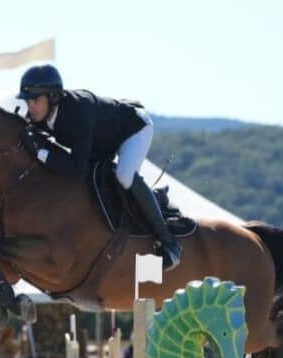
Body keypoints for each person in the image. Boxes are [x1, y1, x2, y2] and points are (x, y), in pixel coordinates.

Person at [17, 64, 181, 270]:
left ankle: (169, 243)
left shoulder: (79, 111)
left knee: (124, 175)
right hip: (102, 142)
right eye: (28, 101)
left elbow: (75, 168)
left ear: (53, 97)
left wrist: (39, 152)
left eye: (35, 100)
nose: (30, 106)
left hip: (133, 129)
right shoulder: (41, 115)